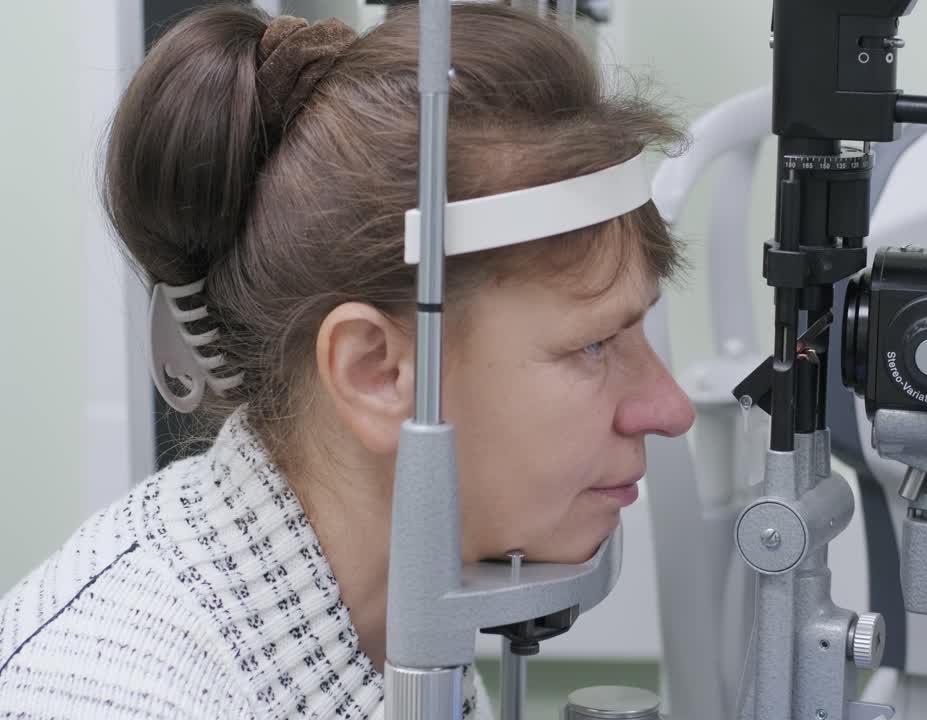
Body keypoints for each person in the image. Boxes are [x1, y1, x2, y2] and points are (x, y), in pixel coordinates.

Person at [0, 3, 694, 718]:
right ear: (376, 373)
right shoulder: (116, 698)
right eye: (592, 345)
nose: (669, 409)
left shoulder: (398, 636)